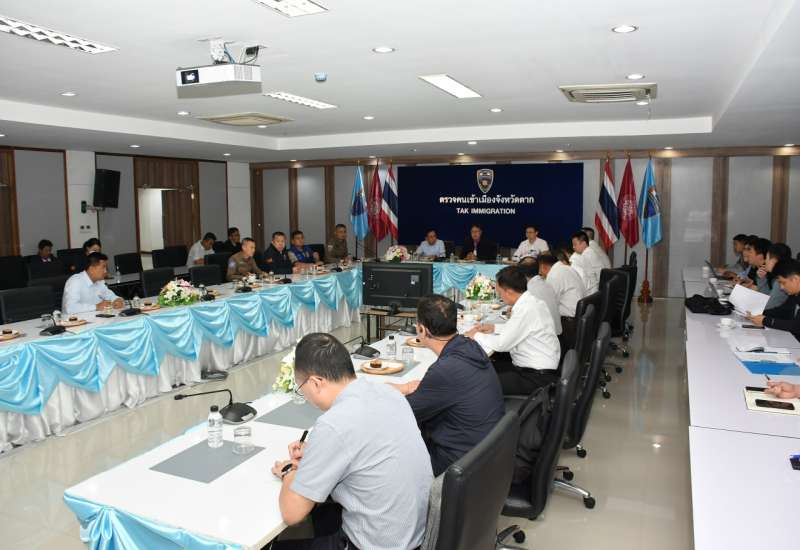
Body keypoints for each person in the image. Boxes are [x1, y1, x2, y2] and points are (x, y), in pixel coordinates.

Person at [269, 333, 432, 550]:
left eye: (302, 389)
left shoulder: (334, 424)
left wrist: (289, 471)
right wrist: (317, 451)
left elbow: (292, 514)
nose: (305, 397)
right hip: (417, 534)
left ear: (316, 383)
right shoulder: (387, 392)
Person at [391, 295, 504, 476]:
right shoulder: (470, 346)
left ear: (422, 329)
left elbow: (403, 413)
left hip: (460, 464)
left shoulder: (445, 370)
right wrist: (407, 388)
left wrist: (387, 391)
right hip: (485, 452)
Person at [465, 266, 561, 395]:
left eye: (500, 293)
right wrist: (494, 328)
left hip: (536, 377)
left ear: (509, 292)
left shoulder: (526, 308)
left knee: (476, 381)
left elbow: (501, 344)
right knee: (483, 366)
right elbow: (520, 329)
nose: (500, 297)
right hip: (536, 368)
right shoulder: (531, 301)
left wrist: (475, 335)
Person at [746, 259, 800, 341]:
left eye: (783, 282)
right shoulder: (794, 295)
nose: (781, 288)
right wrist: (757, 314)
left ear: (795, 279)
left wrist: (765, 321)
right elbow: (783, 311)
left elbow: (796, 326)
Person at [519, 257, 562, 335]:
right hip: (556, 333)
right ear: (538, 269)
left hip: (546, 336)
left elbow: (523, 321)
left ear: (521, 274)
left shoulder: (530, 290)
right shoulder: (547, 284)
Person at [537, 253, 586, 318]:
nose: (540, 273)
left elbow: (549, 303)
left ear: (543, 266)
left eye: (539, 270)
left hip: (570, 319)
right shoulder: (567, 268)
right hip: (581, 312)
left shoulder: (554, 275)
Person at [754, 243, 792, 310]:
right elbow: (766, 297)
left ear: (774, 260)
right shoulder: (778, 277)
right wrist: (762, 278)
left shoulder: (781, 281)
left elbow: (767, 305)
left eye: (767, 258)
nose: (765, 261)